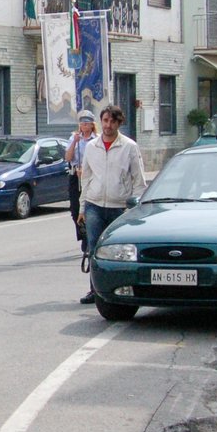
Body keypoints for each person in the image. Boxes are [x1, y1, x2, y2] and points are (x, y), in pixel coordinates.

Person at [78, 105, 146, 305]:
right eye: (105, 121)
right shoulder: (92, 147)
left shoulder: (129, 146)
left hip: (119, 208)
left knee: (121, 250)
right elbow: (87, 178)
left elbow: (139, 181)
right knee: (94, 249)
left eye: (112, 121)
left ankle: (123, 288)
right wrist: (82, 207)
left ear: (119, 123)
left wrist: (133, 209)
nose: (108, 125)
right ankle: (95, 290)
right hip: (94, 205)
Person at [65, 110, 97, 246]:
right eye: (82, 123)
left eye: (86, 123)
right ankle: (83, 235)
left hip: (90, 177)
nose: (83, 126)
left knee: (88, 208)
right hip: (75, 176)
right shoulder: (74, 138)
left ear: (91, 125)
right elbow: (68, 157)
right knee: (75, 209)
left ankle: (89, 239)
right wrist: (74, 142)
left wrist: (85, 171)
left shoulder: (96, 140)